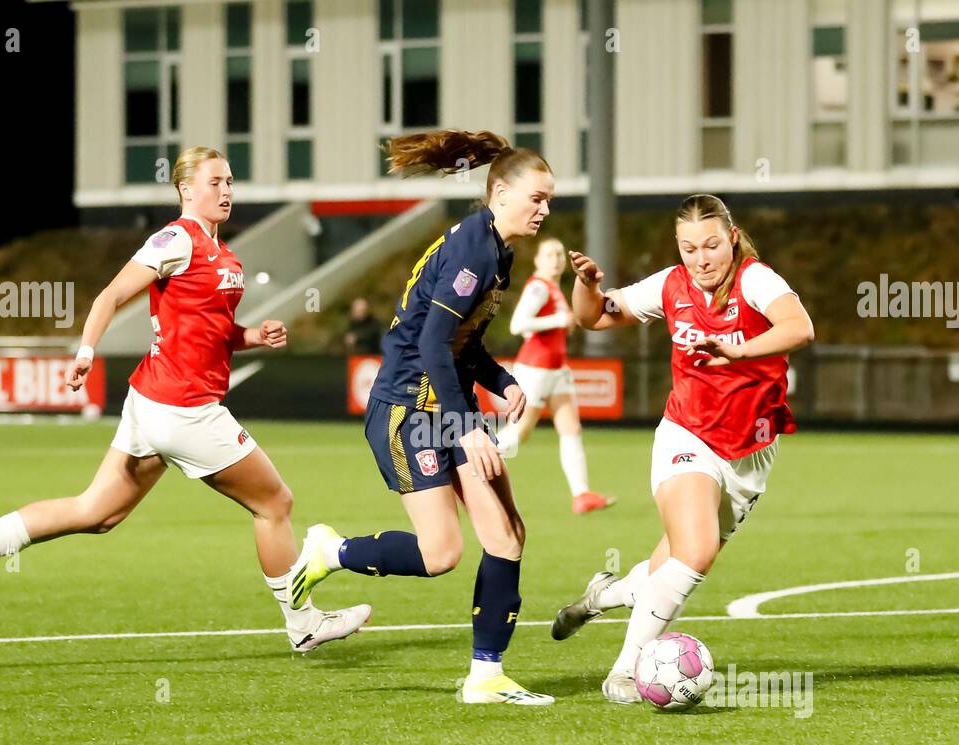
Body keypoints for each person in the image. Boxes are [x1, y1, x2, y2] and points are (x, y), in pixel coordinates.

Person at [0, 146, 369, 652]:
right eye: (214, 182)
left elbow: (212, 330)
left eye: (229, 181)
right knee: (275, 503)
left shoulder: (222, 252)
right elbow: (110, 296)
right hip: (184, 407)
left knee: (96, 512)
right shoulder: (176, 239)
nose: (226, 191)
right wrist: (86, 351)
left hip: (154, 401)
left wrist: (251, 336)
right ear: (185, 189)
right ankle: (304, 624)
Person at [284, 129, 556, 705]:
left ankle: (485, 676)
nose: (545, 209)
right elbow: (433, 346)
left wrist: (502, 382)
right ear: (500, 192)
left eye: (549, 199)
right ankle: (331, 551)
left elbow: (461, 342)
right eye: (537, 198)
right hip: (409, 408)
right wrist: (468, 428)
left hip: (444, 401)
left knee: (506, 535)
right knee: (443, 554)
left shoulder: (494, 247)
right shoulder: (474, 249)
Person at [550, 193, 815, 703]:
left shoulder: (756, 279)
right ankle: (625, 672)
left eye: (712, 245)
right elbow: (595, 318)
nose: (702, 259)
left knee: (670, 566)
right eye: (690, 248)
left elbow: (799, 327)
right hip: (687, 435)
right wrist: (587, 286)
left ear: (732, 239)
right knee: (696, 551)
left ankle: (605, 593)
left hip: (749, 454)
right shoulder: (671, 284)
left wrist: (737, 349)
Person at [495, 237, 615, 514]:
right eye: (549, 254)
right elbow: (518, 325)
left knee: (570, 429)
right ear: (537, 261)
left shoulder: (552, 288)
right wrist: (557, 321)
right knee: (520, 432)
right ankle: (470, 467)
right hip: (536, 370)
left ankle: (581, 495)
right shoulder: (538, 286)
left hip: (556, 369)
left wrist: (558, 325)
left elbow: (530, 329)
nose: (556, 259)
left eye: (559, 254)